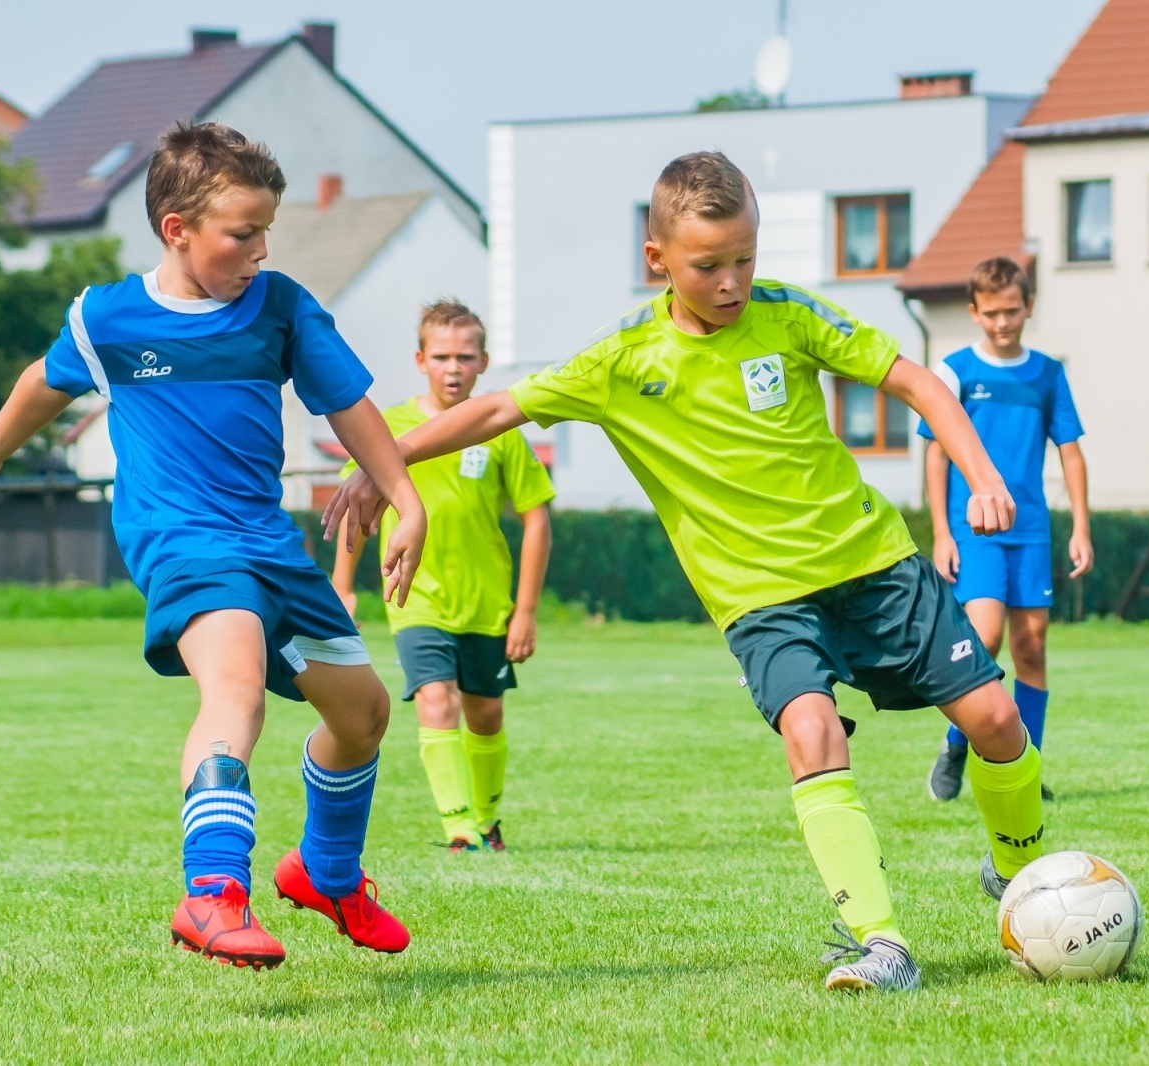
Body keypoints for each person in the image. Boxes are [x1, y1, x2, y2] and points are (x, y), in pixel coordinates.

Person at [327, 151, 1050, 992]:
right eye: (709, 265)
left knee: (996, 719)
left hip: (874, 563)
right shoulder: (625, 361)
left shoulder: (789, 316)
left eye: (746, 258)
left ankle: (1023, 872)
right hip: (761, 600)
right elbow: (494, 409)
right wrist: (384, 463)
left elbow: (918, 382)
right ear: (658, 259)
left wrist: (984, 474)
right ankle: (880, 942)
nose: (733, 281)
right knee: (810, 731)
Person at [0, 122, 427, 970]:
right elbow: (45, 384)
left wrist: (405, 496)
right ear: (178, 230)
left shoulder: (278, 309)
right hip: (183, 544)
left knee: (365, 716)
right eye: (243, 233)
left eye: (267, 231)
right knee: (236, 689)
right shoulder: (108, 318)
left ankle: (323, 872)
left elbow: (348, 406)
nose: (260, 250)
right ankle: (212, 895)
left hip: (268, 544)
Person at [332, 300, 554, 854]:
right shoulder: (390, 429)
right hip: (415, 597)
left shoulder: (500, 432)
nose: (453, 367)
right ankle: (459, 828)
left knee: (485, 711)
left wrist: (524, 610)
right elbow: (358, 510)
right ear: (420, 360)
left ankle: (488, 818)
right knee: (436, 699)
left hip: (485, 603)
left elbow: (536, 519)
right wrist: (342, 585)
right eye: (441, 356)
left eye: (464, 356)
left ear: (483, 362)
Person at [920, 256, 1091, 803]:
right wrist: (942, 534)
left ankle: (1025, 772)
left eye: (1012, 311)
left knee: (1033, 646)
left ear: (1029, 308)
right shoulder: (955, 371)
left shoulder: (1047, 374)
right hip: (974, 529)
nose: (1002, 322)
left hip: (1032, 531)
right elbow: (935, 453)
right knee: (985, 639)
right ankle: (955, 744)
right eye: (991, 313)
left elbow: (1071, 453)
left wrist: (1081, 528)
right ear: (974, 312)